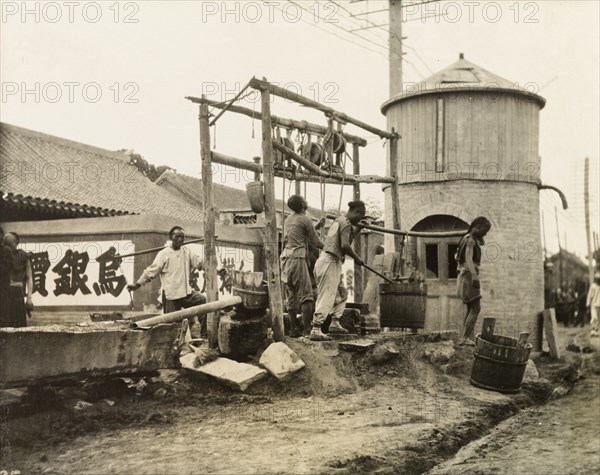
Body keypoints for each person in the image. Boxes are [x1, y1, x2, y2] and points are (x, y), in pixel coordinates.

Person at [127, 226, 206, 333]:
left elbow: (200, 264)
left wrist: (217, 270)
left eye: (182, 237)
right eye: (177, 237)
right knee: (173, 325)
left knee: (202, 301)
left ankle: (205, 334)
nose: (180, 240)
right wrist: (137, 284)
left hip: (186, 293)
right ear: (171, 237)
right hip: (171, 296)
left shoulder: (187, 251)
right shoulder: (164, 254)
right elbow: (151, 271)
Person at [311, 200, 366, 341]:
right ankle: (316, 328)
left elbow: (347, 236)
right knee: (327, 295)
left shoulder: (340, 221)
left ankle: (335, 323)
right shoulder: (346, 223)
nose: (361, 219)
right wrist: (356, 258)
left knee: (341, 293)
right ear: (356, 212)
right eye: (361, 216)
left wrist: (359, 229)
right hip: (329, 261)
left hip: (328, 261)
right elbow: (345, 245)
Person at [280, 195, 324, 337]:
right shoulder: (305, 219)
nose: (307, 200)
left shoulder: (288, 219)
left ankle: (294, 330)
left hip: (286, 258)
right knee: (307, 296)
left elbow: (298, 234)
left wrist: (316, 226)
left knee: (291, 294)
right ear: (302, 205)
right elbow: (315, 241)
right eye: (305, 200)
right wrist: (332, 248)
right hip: (298, 258)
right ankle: (307, 331)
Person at [455, 216, 491, 346]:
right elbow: (469, 260)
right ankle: (464, 338)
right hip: (469, 275)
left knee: (471, 307)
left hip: (464, 275)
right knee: (476, 308)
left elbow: (481, 242)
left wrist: (479, 236)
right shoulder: (470, 240)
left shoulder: (467, 238)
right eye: (485, 230)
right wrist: (475, 277)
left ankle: (463, 338)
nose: (486, 234)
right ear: (478, 227)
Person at [0, 232, 34, 328]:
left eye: (10, 244)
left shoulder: (23, 256)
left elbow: (29, 277)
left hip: (17, 293)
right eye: (5, 244)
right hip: (3, 293)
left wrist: (29, 298)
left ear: (16, 243)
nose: (7, 247)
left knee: (19, 326)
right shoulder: (2, 256)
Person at [586, 273, 600, 337]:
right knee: (594, 317)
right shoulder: (593, 286)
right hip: (593, 304)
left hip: (599, 304)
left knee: (598, 318)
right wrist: (588, 303)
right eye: (597, 279)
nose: (598, 280)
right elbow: (589, 295)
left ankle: (597, 330)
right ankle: (593, 330)